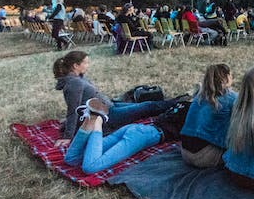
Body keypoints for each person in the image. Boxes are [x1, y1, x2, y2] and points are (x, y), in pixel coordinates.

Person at [52, 51, 182, 147]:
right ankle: (181, 103)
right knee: (147, 107)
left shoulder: (78, 78)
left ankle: (178, 101)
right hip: (109, 115)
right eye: (85, 63)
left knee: (143, 104)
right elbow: (73, 109)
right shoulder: (74, 83)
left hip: (109, 106)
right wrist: (68, 136)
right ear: (75, 66)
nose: (87, 65)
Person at [62, 99, 165, 174]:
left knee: (71, 159)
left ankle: (91, 118)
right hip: (145, 134)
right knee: (90, 167)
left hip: (134, 129)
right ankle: (98, 120)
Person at [180, 64, 238, 168]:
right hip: (204, 156)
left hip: (184, 152)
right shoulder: (231, 97)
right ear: (227, 77)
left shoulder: (199, 96)